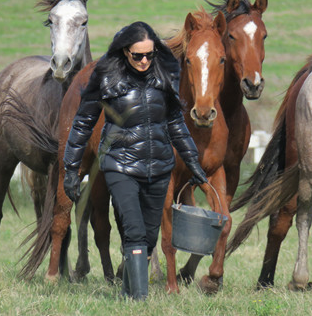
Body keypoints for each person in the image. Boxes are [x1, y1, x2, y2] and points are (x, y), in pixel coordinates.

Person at [62, 21, 207, 300]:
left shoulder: (165, 74)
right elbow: (82, 124)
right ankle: (139, 301)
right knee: (135, 230)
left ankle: (128, 291)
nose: (144, 61)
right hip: (120, 166)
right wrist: (71, 169)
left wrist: (194, 164)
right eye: (137, 55)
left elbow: (177, 123)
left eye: (149, 55)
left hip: (160, 166)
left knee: (148, 237)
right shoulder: (105, 76)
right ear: (124, 51)